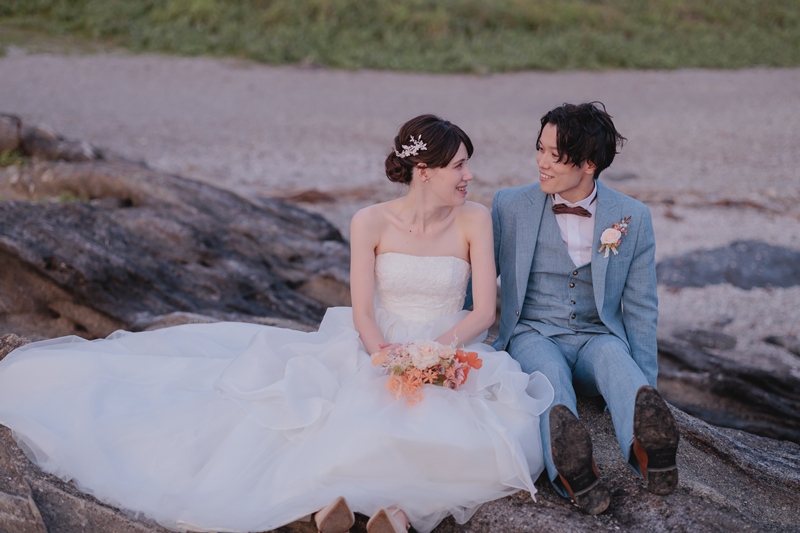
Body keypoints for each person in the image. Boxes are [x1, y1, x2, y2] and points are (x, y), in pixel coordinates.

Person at [0, 114, 553, 533]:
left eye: (467, 165)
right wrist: (387, 355)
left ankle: (391, 514)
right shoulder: (369, 222)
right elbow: (362, 310)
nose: (469, 176)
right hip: (376, 343)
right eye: (459, 166)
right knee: (343, 411)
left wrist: (431, 355)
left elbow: (484, 311)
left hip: (449, 346)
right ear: (424, 172)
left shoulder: (475, 219)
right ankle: (342, 507)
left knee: (459, 426)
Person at [491, 102, 679, 515]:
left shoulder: (632, 217)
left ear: (589, 164)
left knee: (616, 360)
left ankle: (651, 449)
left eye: (554, 156)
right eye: (540, 149)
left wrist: (644, 386)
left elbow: (642, 307)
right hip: (534, 333)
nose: (541, 162)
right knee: (550, 379)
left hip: (598, 335)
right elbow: (480, 284)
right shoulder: (509, 205)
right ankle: (576, 473)